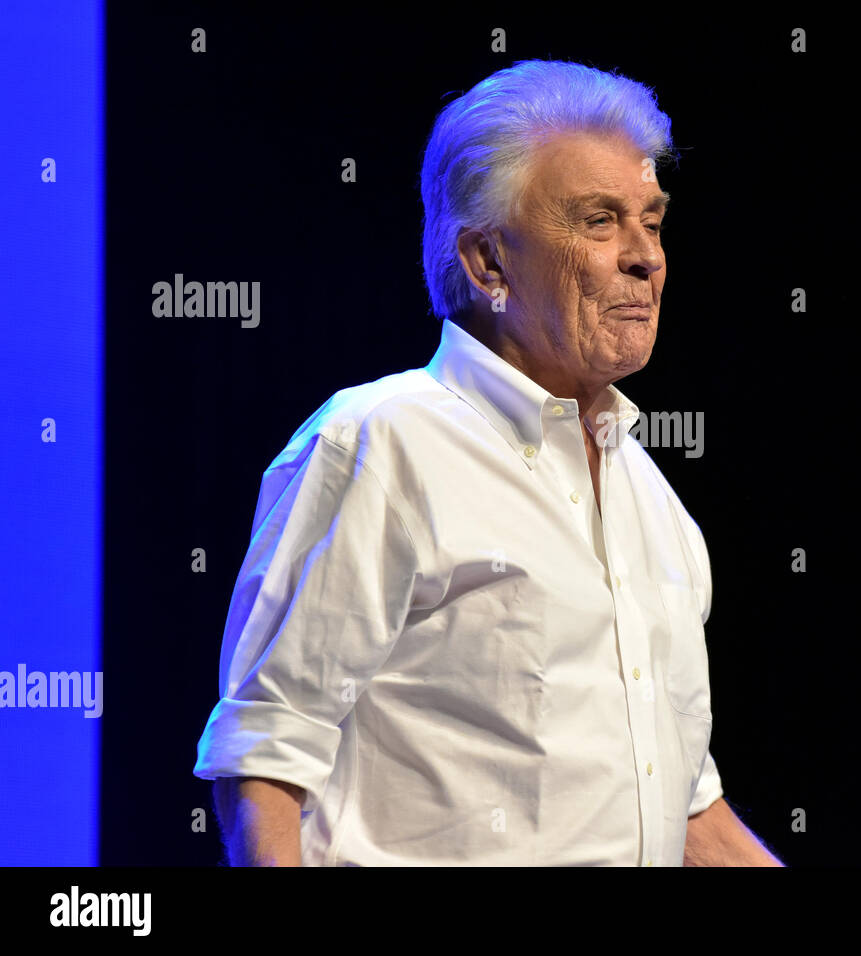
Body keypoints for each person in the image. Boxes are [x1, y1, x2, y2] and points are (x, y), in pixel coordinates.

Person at [193, 59, 782, 867]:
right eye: (600, 221)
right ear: (487, 263)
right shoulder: (381, 443)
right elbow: (265, 760)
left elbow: (680, 808)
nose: (646, 257)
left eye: (653, 220)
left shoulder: (652, 498)